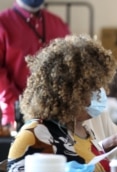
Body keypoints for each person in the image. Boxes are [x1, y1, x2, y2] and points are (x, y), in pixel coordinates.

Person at [5, 34, 117, 172]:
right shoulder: (34, 134)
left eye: (98, 88)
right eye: (90, 90)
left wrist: (113, 142)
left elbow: (82, 156)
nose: (96, 97)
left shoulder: (81, 128)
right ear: (67, 93)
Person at [0, 0, 70, 128]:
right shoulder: (3, 23)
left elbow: (70, 67)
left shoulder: (58, 24)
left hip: (57, 116)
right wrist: (16, 107)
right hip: (17, 116)